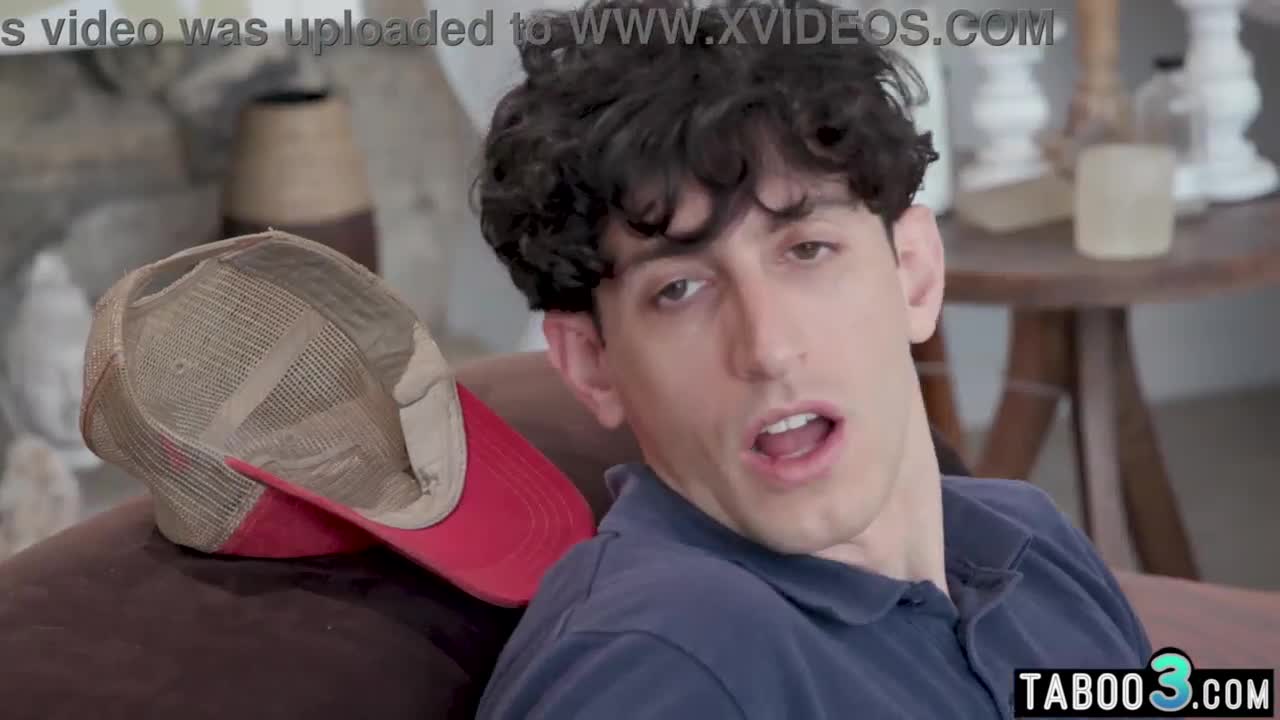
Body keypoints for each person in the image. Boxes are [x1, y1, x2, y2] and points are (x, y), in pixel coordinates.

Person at [473, 1, 1153, 717]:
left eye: (807, 250)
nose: (767, 348)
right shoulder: (654, 670)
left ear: (914, 274)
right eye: (679, 290)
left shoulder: (1033, 542)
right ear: (592, 365)